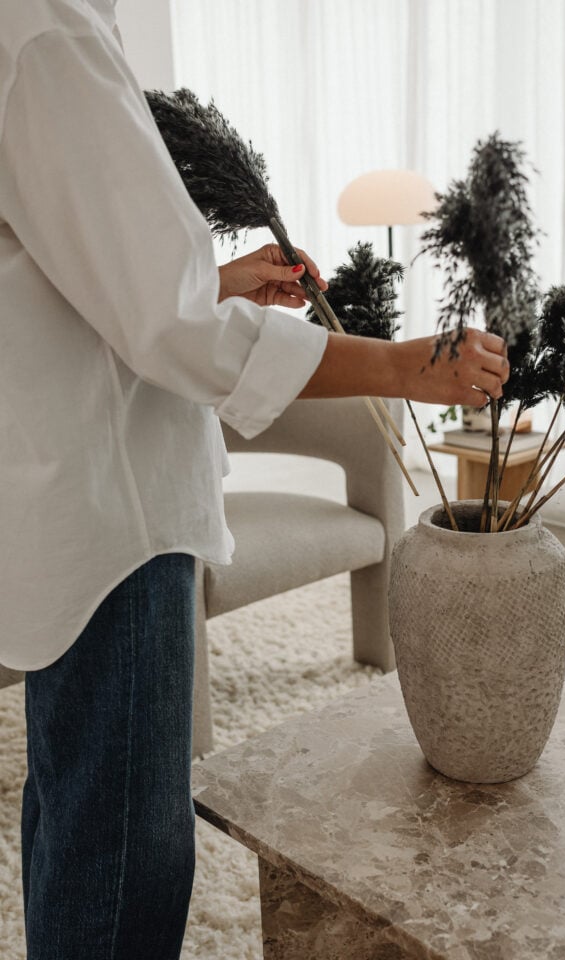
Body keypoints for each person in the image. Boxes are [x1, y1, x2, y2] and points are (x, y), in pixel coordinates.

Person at [0, 1, 509, 957]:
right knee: (121, 858)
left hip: (57, 490)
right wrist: (397, 366)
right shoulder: (48, 31)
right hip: (115, 514)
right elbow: (170, 326)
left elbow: (51, 271)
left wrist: (214, 280)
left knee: (73, 813)